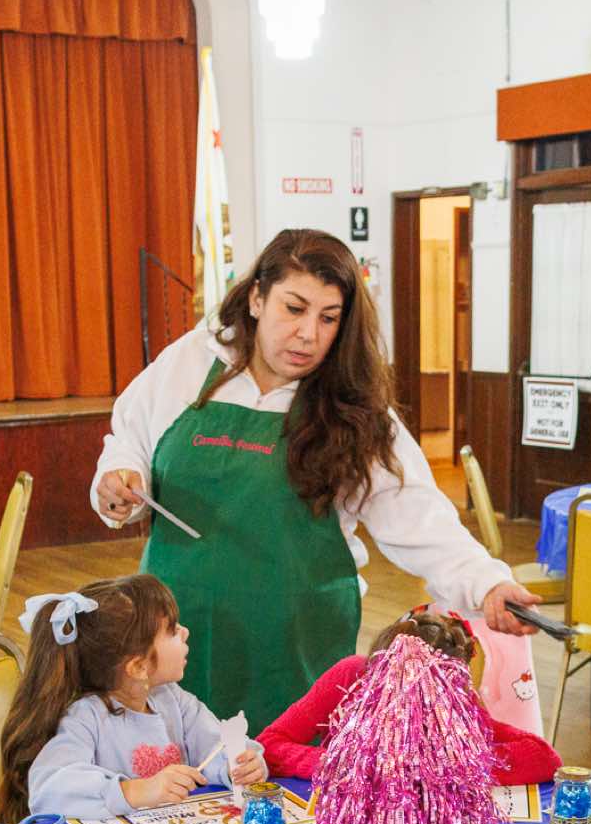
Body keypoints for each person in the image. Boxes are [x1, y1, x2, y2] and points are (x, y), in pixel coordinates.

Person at [91, 228, 537, 732]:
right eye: (294, 308)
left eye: (329, 318)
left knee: (287, 771)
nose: (308, 334)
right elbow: (128, 441)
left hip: (296, 650)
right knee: (172, 767)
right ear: (257, 298)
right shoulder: (190, 362)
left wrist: (486, 582)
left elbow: (418, 515)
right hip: (175, 636)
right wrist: (117, 483)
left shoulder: (355, 411)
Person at [0, 574, 268, 822]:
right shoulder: (85, 716)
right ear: (138, 667)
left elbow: (215, 746)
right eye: (172, 630)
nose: (185, 632)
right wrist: (136, 791)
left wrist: (238, 765)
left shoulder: (173, 699)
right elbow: (49, 789)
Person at [256, 608, 561, 784]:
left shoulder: (455, 700)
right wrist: (338, 764)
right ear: (376, 670)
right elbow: (270, 742)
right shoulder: (351, 676)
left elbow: (543, 757)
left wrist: (446, 768)